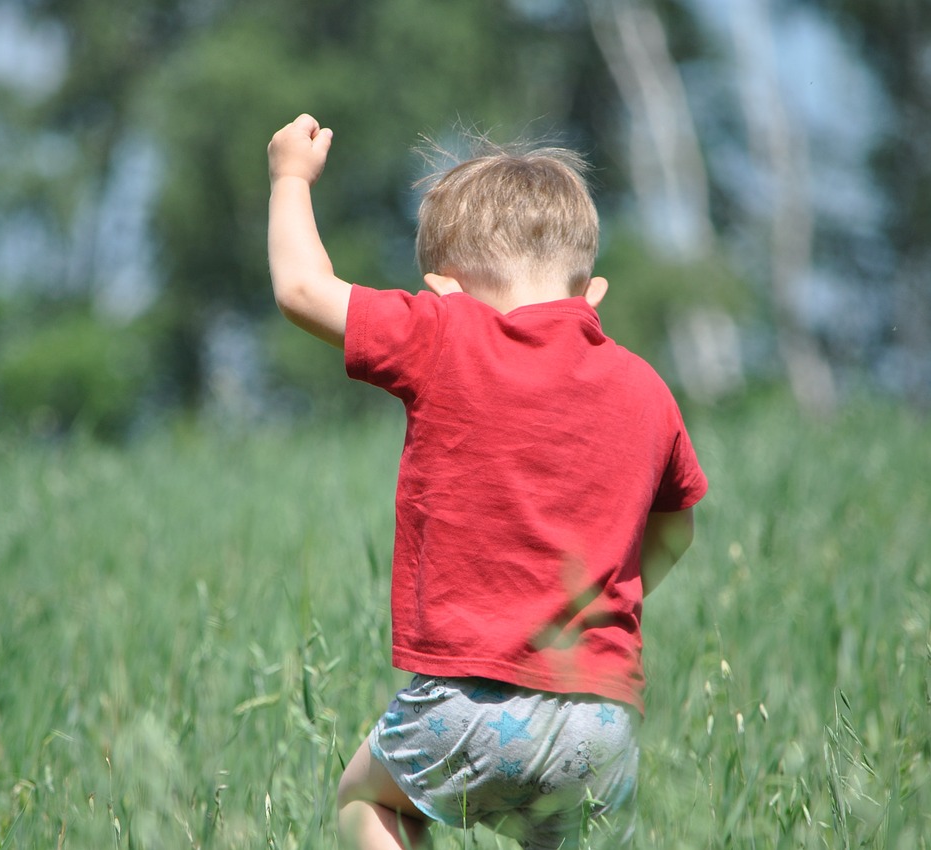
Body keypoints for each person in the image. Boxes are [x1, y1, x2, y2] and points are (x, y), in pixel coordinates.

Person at [267, 114, 708, 849]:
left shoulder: (445, 333)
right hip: (599, 720)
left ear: (443, 289)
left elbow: (303, 291)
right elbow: (678, 525)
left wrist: (290, 178)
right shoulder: (646, 387)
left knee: (366, 801)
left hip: (467, 703)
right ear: (591, 294)